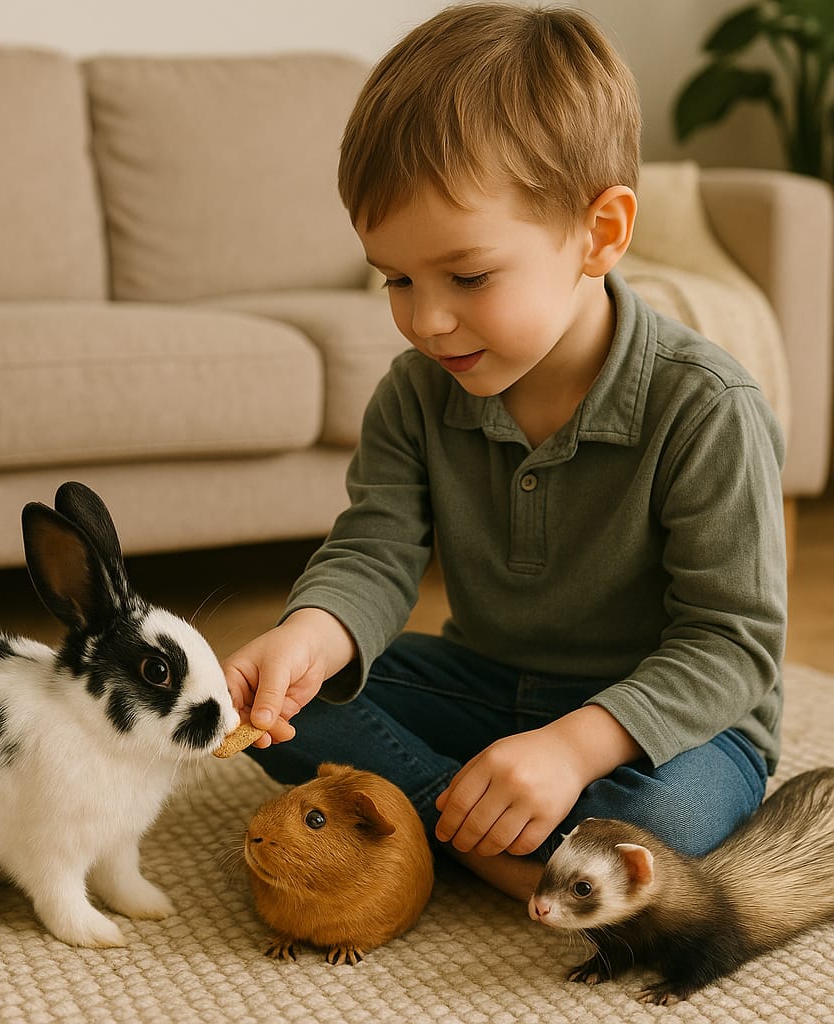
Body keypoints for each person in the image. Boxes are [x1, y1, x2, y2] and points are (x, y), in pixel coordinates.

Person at [222, 2, 786, 901]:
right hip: (489, 686)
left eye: (468, 276)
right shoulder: (415, 392)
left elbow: (732, 645)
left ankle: (448, 819)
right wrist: (308, 636)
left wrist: (576, 746)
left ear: (601, 233)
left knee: (666, 820)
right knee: (287, 718)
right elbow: (373, 551)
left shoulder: (706, 406)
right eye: (396, 279)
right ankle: (499, 833)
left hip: (669, 723)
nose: (427, 319)